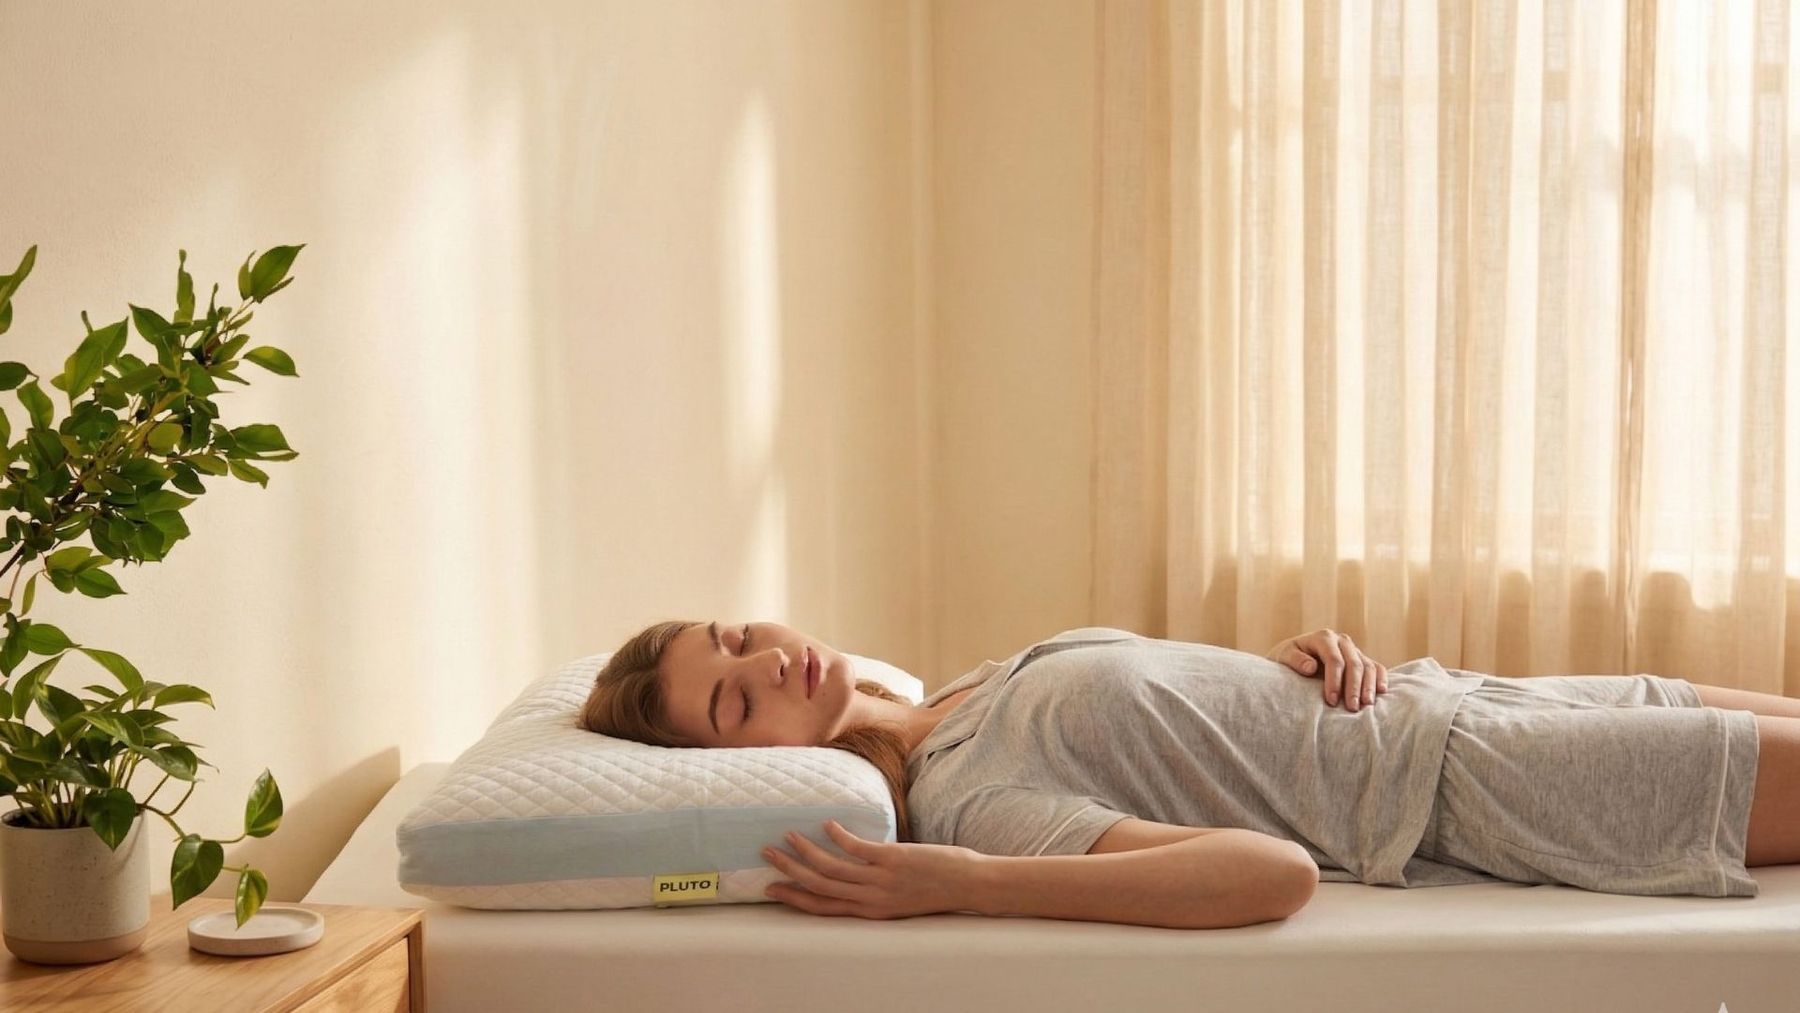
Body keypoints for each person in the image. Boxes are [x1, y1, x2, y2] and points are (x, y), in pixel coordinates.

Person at [578, 619, 1800, 930]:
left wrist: (1297, 659)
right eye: (733, 700)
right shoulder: (966, 798)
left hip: (1473, 696)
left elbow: (1191, 720)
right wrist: (964, 880)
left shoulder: (963, 687)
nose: (762, 661)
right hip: (1491, 781)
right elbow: (1269, 873)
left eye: (733, 638)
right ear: (754, 765)